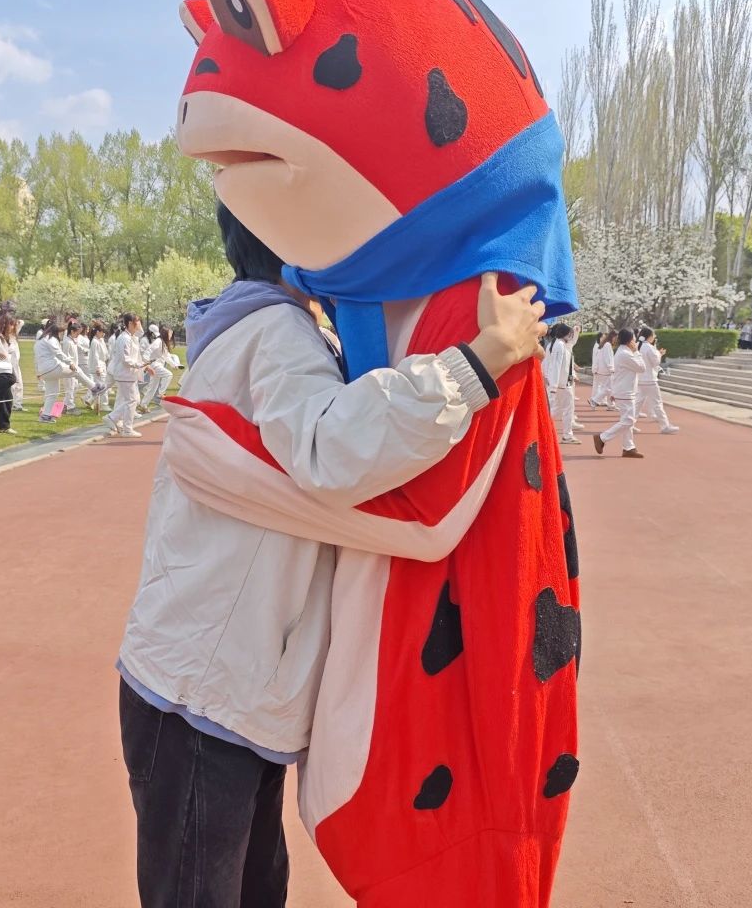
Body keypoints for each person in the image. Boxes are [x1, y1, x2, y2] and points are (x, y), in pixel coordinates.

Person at [120, 204, 548, 908]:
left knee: (251, 889)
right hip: (206, 688)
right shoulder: (275, 330)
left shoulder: (261, 325)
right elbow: (332, 448)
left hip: (223, 686)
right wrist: (478, 363)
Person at [33, 320, 100, 423]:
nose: (62, 335)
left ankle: (45, 415)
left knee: (52, 393)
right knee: (76, 370)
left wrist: (38, 372)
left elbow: (37, 358)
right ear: (56, 331)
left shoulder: (41, 340)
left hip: (45, 371)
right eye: (61, 332)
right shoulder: (51, 339)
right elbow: (58, 353)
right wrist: (70, 363)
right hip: (51, 367)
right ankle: (94, 387)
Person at [593, 328, 646, 457]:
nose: (635, 340)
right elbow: (642, 368)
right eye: (633, 338)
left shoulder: (623, 352)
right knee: (629, 421)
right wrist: (637, 352)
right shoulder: (626, 354)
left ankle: (628, 447)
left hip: (624, 391)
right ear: (629, 340)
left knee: (626, 420)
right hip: (625, 392)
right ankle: (602, 438)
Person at [106, 313, 150, 437]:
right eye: (137, 321)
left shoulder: (132, 337)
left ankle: (114, 418)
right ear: (130, 323)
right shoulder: (124, 338)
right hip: (125, 374)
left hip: (130, 374)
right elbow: (125, 359)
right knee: (131, 401)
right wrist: (139, 365)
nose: (139, 324)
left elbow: (140, 333)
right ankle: (126, 428)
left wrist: (143, 365)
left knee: (132, 400)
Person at [636, 327, 680, 434]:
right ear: (650, 336)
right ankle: (665, 426)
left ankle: (628, 424)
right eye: (654, 335)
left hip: (640, 379)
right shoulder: (649, 347)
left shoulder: (637, 345)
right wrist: (659, 354)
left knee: (637, 404)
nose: (655, 337)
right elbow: (655, 362)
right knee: (657, 403)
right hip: (650, 380)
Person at [542, 323, 579, 444]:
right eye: (570, 334)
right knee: (567, 409)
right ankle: (567, 435)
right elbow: (556, 365)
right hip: (561, 384)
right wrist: (554, 385)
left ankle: (542, 428)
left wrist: (576, 331)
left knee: (557, 409)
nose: (571, 336)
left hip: (561, 383)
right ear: (565, 334)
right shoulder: (559, 345)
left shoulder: (558, 344)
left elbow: (550, 364)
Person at [140, 323, 174, 411]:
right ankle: (161, 393)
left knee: (152, 388)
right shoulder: (158, 341)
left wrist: (174, 365)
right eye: (170, 333)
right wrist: (147, 363)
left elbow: (166, 356)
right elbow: (148, 351)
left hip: (157, 365)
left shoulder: (163, 343)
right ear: (166, 334)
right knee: (168, 375)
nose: (171, 335)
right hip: (155, 365)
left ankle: (143, 405)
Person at [87, 321, 110, 409]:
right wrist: (98, 368)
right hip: (98, 367)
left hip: (102, 365)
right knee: (103, 385)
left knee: (99, 386)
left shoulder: (100, 340)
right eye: (102, 332)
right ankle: (103, 404)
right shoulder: (95, 342)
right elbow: (95, 356)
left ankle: (91, 400)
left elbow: (105, 353)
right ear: (97, 332)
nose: (103, 334)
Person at [588, 331, 615, 408]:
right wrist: (611, 369)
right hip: (604, 370)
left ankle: (610, 404)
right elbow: (607, 359)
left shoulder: (603, 345)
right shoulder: (605, 345)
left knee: (606, 388)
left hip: (602, 370)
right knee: (607, 388)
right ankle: (595, 400)